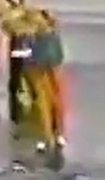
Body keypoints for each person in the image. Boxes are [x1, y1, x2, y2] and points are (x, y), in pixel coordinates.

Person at [26, 10, 66, 152]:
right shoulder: (36, 36)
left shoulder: (50, 36)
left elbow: (58, 56)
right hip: (40, 67)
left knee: (53, 102)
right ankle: (48, 136)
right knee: (44, 103)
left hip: (48, 67)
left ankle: (55, 134)